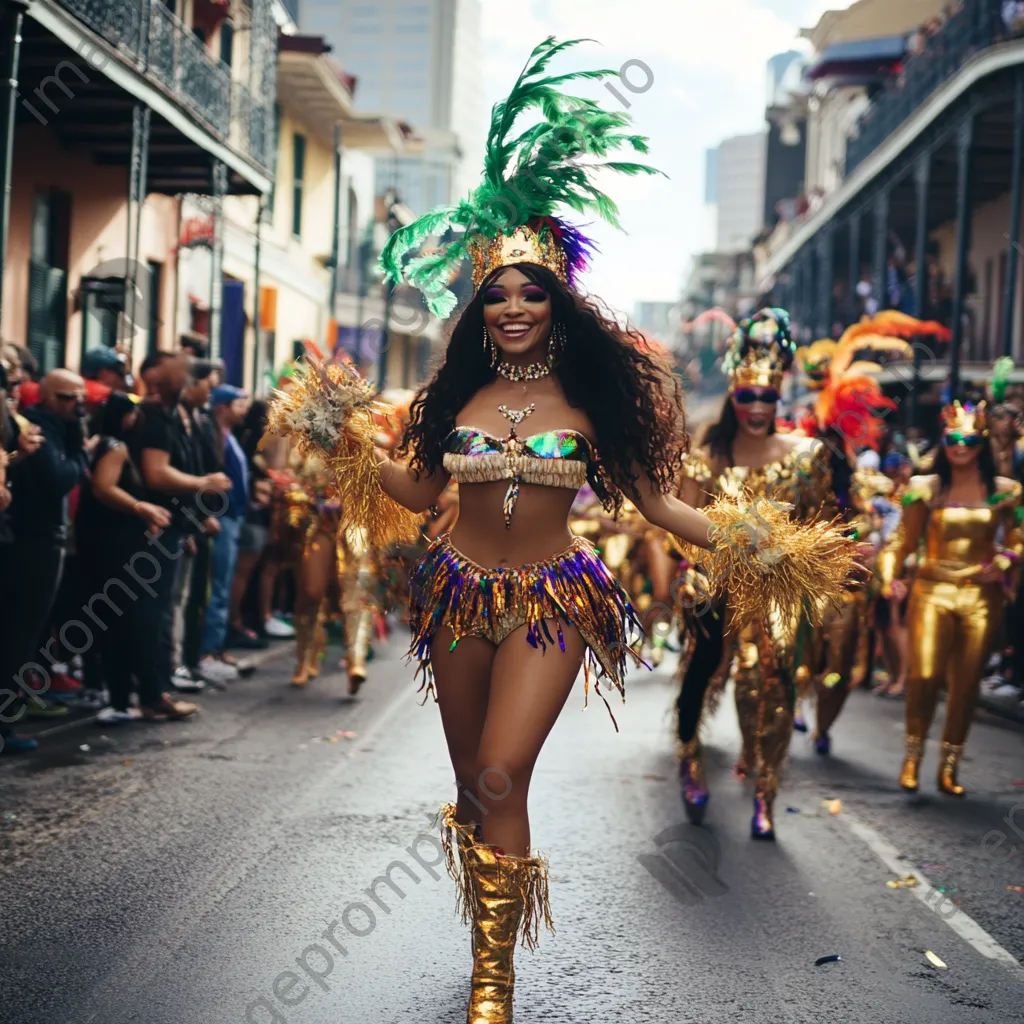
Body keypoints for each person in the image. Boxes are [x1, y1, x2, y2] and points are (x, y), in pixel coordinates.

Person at [266, 41, 856, 1022]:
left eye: (529, 290)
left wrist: (758, 546)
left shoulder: (591, 406)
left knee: (501, 769)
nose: (510, 306)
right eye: (496, 292)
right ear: (480, 305)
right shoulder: (453, 390)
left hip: (549, 602)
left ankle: (494, 978)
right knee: (467, 781)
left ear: (557, 302)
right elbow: (414, 491)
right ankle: (481, 921)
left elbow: (664, 508)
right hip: (455, 596)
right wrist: (342, 446)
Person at [671, 310, 837, 839]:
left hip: (784, 589)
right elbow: (680, 523)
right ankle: (690, 754)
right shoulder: (707, 457)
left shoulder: (807, 456)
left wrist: (819, 571)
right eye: (748, 397)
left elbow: (824, 523)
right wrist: (697, 569)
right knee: (713, 671)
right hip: (719, 584)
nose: (759, 408)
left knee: (777, 676)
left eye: (769, 397)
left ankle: (766, 791)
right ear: (733, 398)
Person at [878, 401, 1022, 795]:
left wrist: (1009, 560)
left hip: (980, 595)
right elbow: (900, 542)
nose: (960, 446)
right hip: (931, 590)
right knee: (925, 676)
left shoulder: (1006, 493)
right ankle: (912, 757)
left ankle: (950, 765)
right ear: (944, 442)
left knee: (967, 683)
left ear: (983, 443)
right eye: (953, 439)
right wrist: (890, 578)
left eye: (969, 439)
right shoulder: (924, 489)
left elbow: (1017, 539)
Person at [76, 393, 197, 721]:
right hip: (117, 545)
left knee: (116, 621)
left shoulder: (99, 443)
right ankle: (144, 694)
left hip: (105, 543)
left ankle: (123, 697)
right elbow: (104, 487)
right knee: (136, 620)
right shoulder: (115, 447)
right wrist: (141, 507)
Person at [133, 352, 231, 708]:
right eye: (198, 381)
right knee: (154, 611)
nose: (206, 389)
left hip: (174, 527)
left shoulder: (179, 418)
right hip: (157, 529)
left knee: (163, 609)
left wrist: (190, 524)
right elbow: (157, 474)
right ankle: (152, 692)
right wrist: (205, 482)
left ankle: (157, 689)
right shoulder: (158, 417)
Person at [0, 370, 92, 735]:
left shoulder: (44, 425)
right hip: (30, 541)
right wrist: (85, 453)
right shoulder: (35, 423)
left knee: (26, 634)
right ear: (48, 397)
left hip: (38, 538)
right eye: (70, 398)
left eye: (82, 398)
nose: (79, 406)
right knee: (19, 634)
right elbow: (58, 479)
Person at [198, 385, 251, 677]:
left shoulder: (228, 436)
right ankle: (208, 652)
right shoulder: (211, 435)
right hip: (222, 518)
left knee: (223, 584)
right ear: (221, 407)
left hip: (232, 517)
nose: (244, 409)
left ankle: (215, 648)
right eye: (238, 404)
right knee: (217, 586)